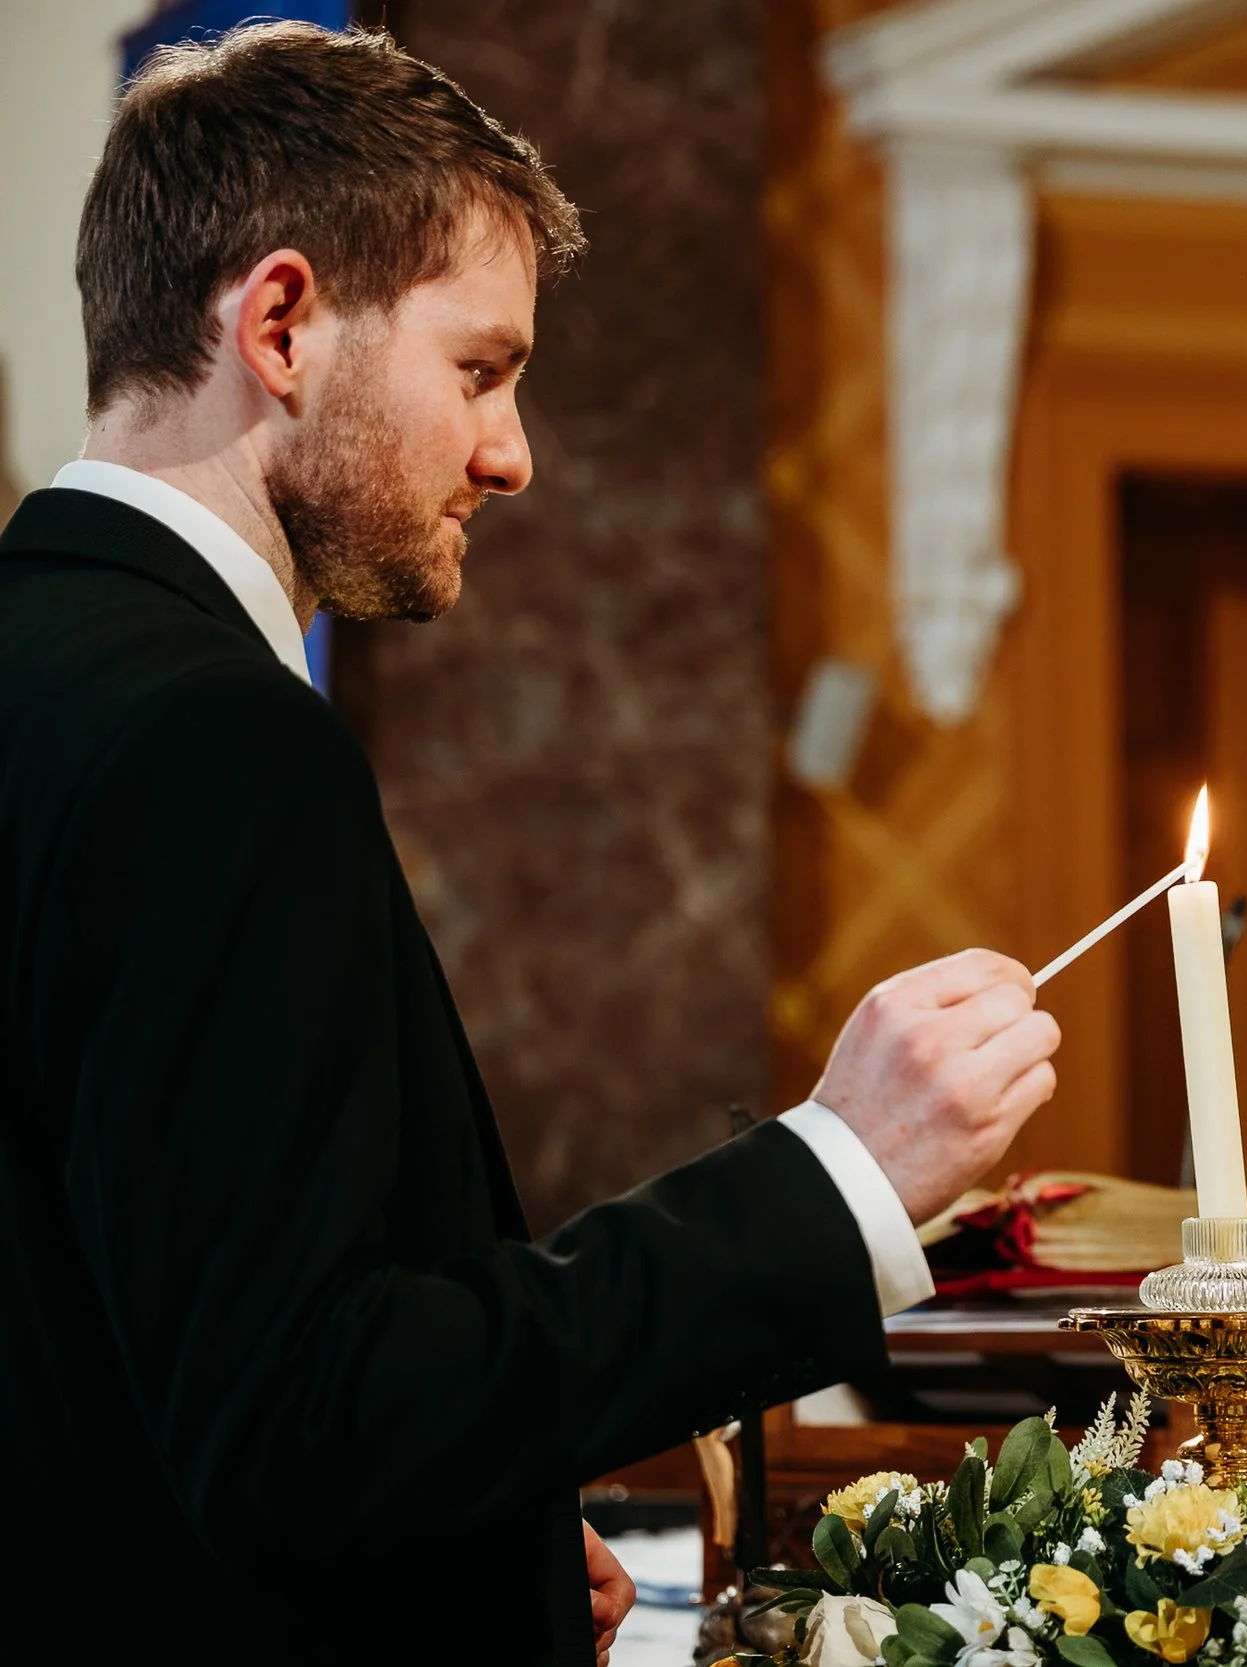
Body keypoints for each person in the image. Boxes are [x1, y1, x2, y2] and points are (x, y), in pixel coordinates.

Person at [0, 23, 1061, 1664]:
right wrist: (838, 1167)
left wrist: (462, 1536)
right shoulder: (217, 739)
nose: (512, 453)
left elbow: (116, 1343)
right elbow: (294, 1426)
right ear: (280, 320)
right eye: (480, 369)